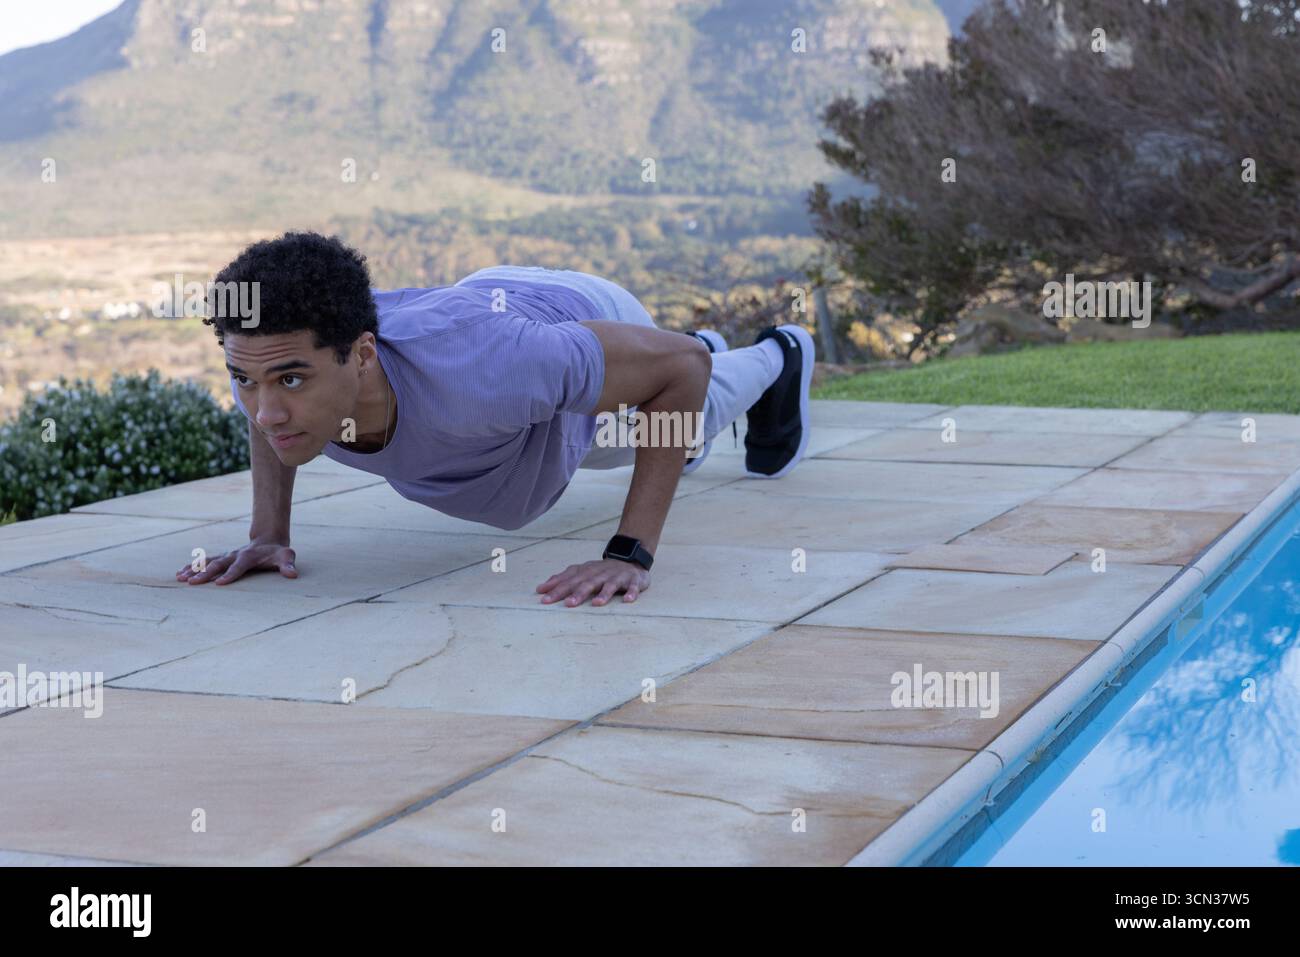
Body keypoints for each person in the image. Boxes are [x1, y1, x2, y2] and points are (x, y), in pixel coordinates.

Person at [176, 231, 814, 607]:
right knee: (663, 432)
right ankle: (642, 375)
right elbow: (269, 419)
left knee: (673, 407)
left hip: (570, 315)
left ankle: (779, 355)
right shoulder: (269, 373)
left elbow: (680, 371)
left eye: (290, 379)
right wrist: (268, 534)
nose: (266, 409)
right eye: (244, 380)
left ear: (361, 355)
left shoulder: (489, 365)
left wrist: (631, 554)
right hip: (502, 335)